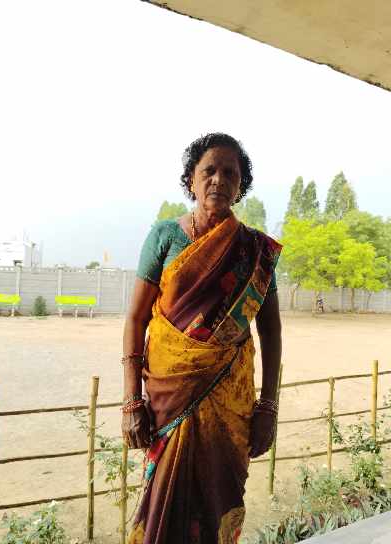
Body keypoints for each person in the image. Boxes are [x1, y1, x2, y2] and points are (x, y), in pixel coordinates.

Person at [121, 133, 282, 544]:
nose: (218, 180)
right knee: (163, 500)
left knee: (217, 503)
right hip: (167, 398)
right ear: (190, 179)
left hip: (229, 404)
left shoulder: (255, 251)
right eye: (209, 170)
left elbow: (270, 329)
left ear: (241, 185)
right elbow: (136, 319)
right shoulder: (165, 237)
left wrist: (268, 406)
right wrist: (132, 401)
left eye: (230, 173)